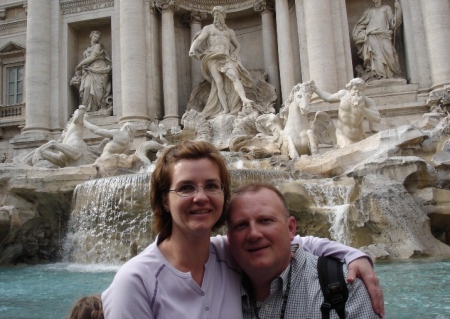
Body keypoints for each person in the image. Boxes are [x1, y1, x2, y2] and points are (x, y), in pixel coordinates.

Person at [102, 141, 384, 319]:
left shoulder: (227, 253)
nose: (201, 197)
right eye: (186, 187)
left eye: (211, 186)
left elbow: (292, 241)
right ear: (165, 200)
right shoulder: (134, 281)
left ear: (223, 194)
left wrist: (355, 256)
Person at [227, 183, 382, 318]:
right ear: (228, 238)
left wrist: (354, 254)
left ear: (290, 228)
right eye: (241, 225)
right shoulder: (216, 284)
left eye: (265, 220)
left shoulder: (348, 285)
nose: (254, 234)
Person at [189, 6, 253, 119]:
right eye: (214, 15)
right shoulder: (208, 28)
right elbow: (199, 40)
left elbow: (237, 46)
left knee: (234, 76)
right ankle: (225, 109)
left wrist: (236, 53)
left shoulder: (229, 31)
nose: (216, 17)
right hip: (212, 57)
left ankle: (244, 99)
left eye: (218, 14)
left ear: (223, 16)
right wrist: (192, 48)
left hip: (226, 57)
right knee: (218, 83)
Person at [313, 78, 381, 148]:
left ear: (364, 91)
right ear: (350, 89)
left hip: (359, 135)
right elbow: (328, 98)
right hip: (343, 135)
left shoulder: (367, 101)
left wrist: (363, 109)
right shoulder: (343, 95)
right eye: (355, 89)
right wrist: (315, 89)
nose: (357, 92)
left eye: (360, 90)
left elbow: (377, 118)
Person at [352, 0, 402, 81]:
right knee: (376, 56)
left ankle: (391, 75)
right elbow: (361, 24)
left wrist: (398, 9)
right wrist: (359, 34)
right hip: (372, 36)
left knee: (389, 54)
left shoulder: (386, 8)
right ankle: (378, 76)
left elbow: (393, 24)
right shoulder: (369, 11)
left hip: (384, 35)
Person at [72, 30, 112, 112]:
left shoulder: (98, 46)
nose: (96, 38)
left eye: (97, 37)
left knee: (99, 91)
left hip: (99, 68)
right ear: (91, 36)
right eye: (95, 36)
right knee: (87, 87)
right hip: (89, 71)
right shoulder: (87, 49)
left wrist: (79, 65)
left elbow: (92, 58)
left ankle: (96, 107)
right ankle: (86, 108)